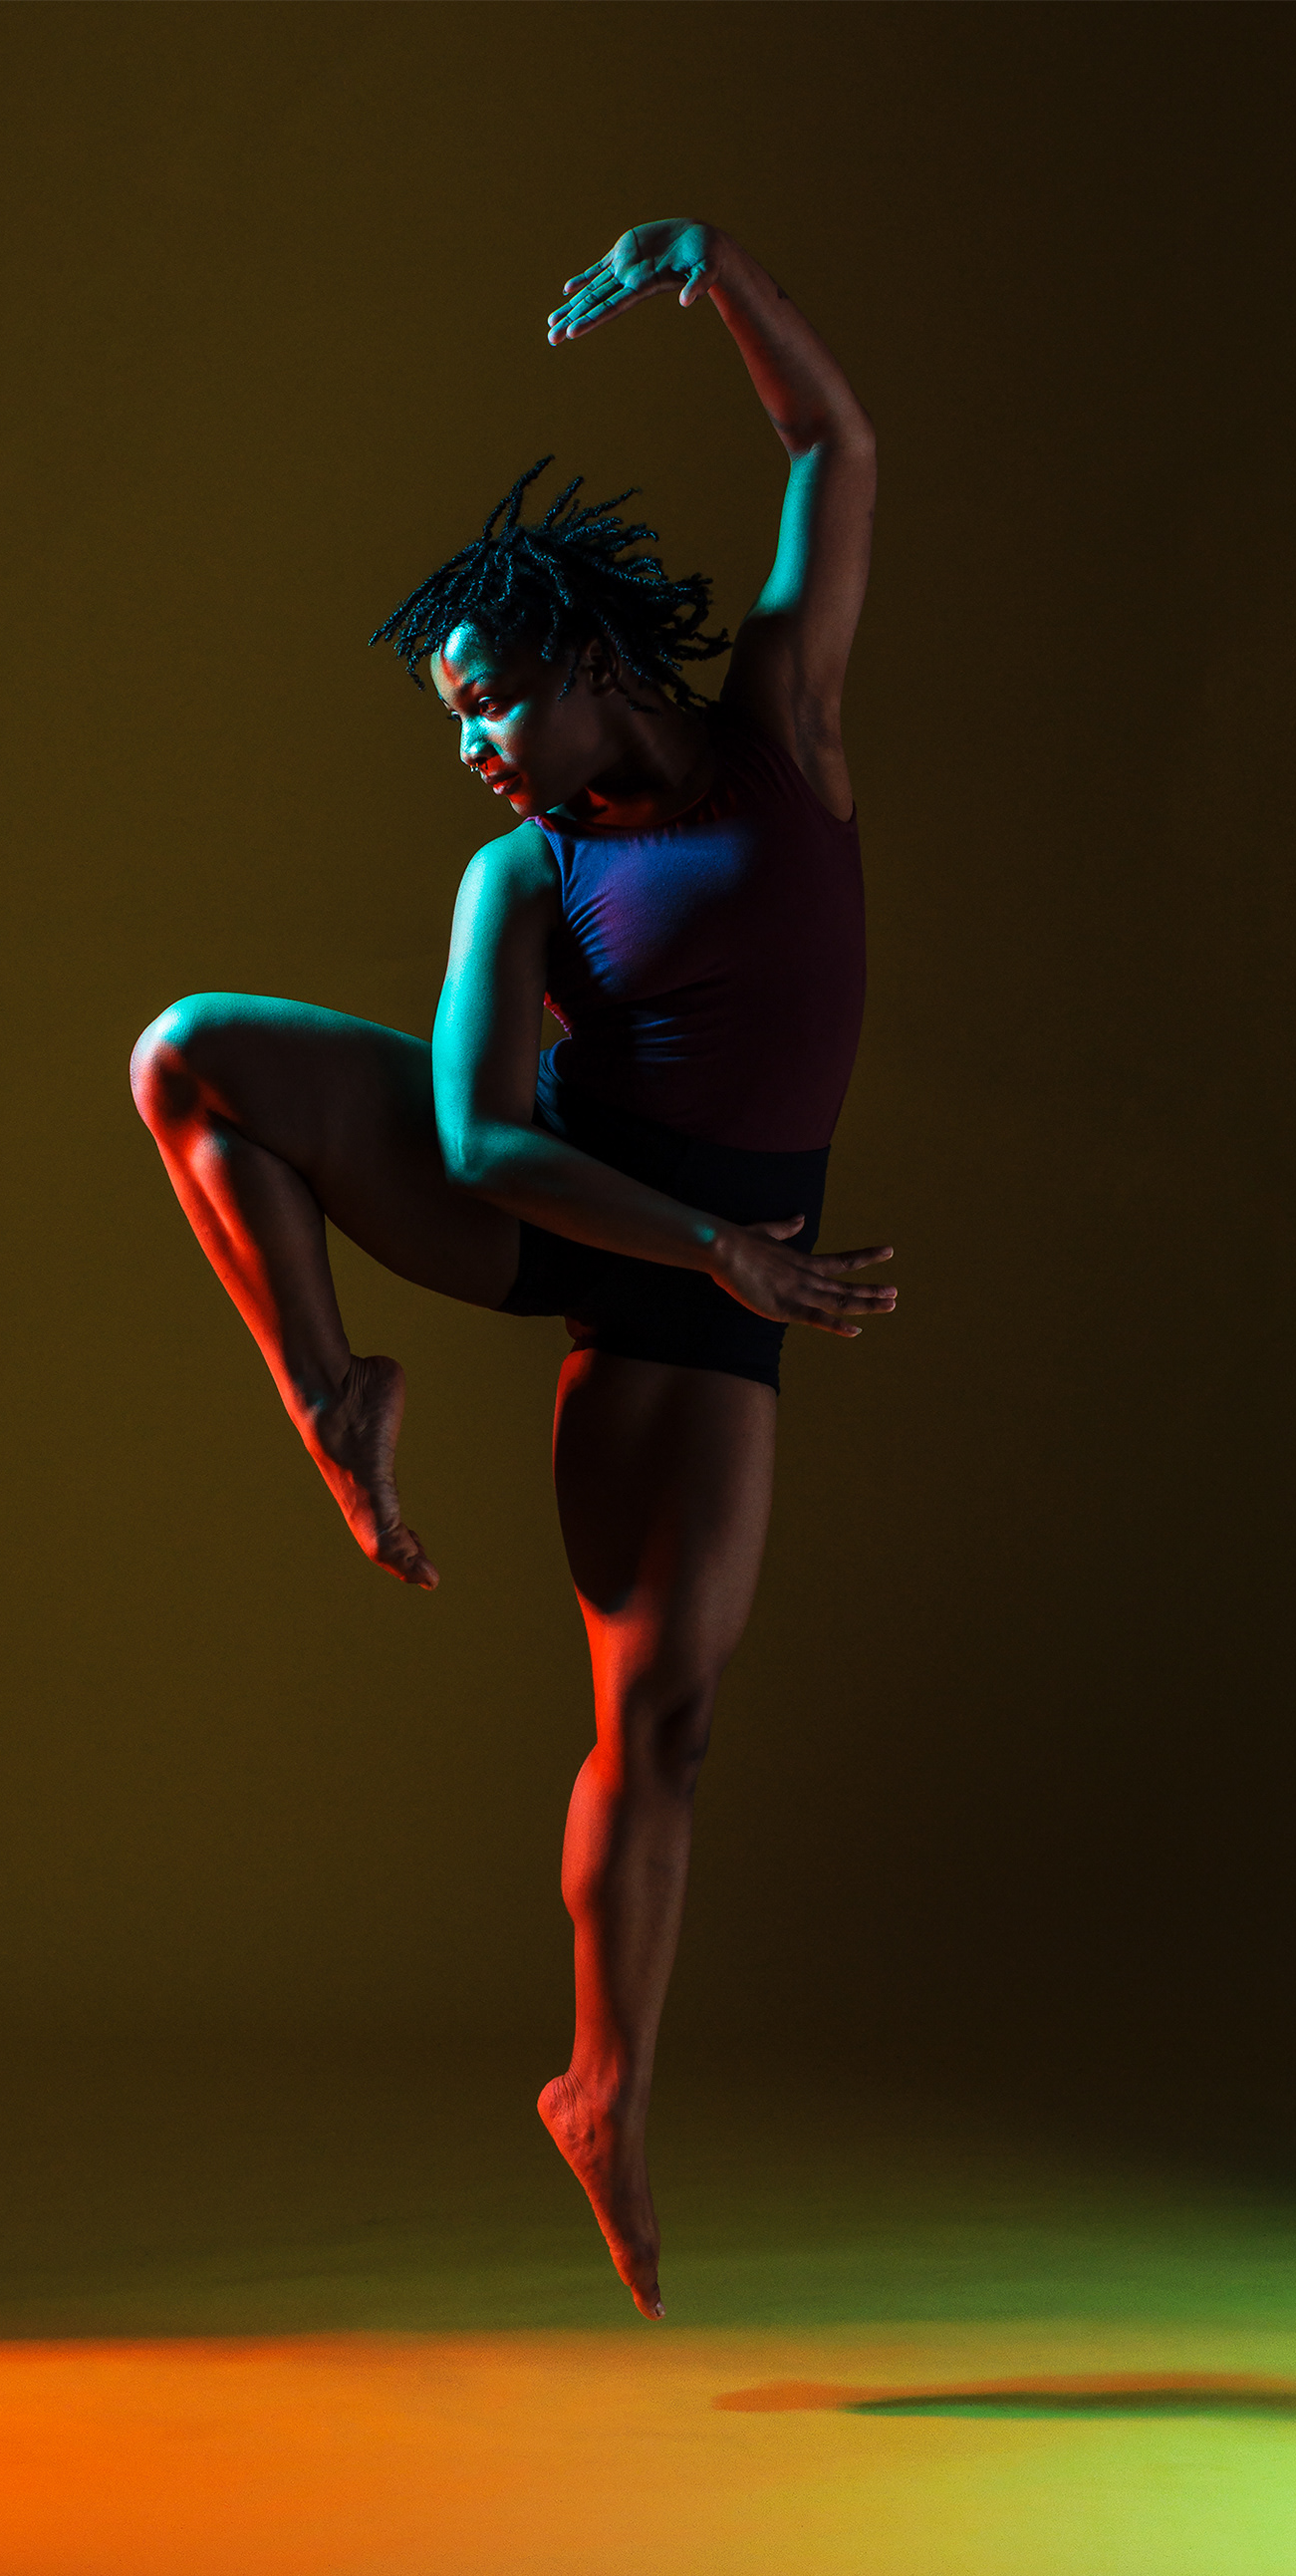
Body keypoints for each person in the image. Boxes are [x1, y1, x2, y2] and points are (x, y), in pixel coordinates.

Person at [130, 220, 894, 2321]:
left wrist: (716, 272)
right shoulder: (521, 878)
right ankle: (332, 1392)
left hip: (698, 1297)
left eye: (486, 707)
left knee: (666, 1724)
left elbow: (832, 447)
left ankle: (601, 2089)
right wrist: (718, 1247)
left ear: (583, 666)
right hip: (584, 1213)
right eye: (456, 718)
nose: (469, 746)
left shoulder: (783, 736)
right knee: (188, 1056)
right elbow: (479, 1142)